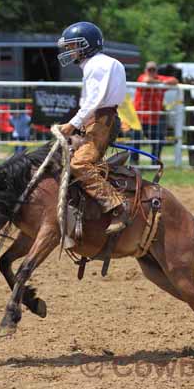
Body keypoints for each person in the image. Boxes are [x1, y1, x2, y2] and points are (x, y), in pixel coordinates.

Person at [56, 21, 129, 234]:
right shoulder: (100, 64)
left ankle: (117, 206)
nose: (69, 50)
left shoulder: (97, 65)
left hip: (100, 122)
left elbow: (94, 100)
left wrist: (73, 124)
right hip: (99, 120)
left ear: (85, 45)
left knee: (79, 164)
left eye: (72, 46)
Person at [132, 61, 178, 165]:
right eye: (150, 70)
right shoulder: (142, 77)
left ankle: (155, 162)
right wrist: (161, 83)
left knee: (159, 140)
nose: (152, 72)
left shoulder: (159, 79)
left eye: (154, 70)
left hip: (153, 119)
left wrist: (160, 82)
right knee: (135, 141)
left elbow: (174, 80)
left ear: (156, 71)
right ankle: (134, 162)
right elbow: (146, 80)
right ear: (145, 70)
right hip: (139, 118)